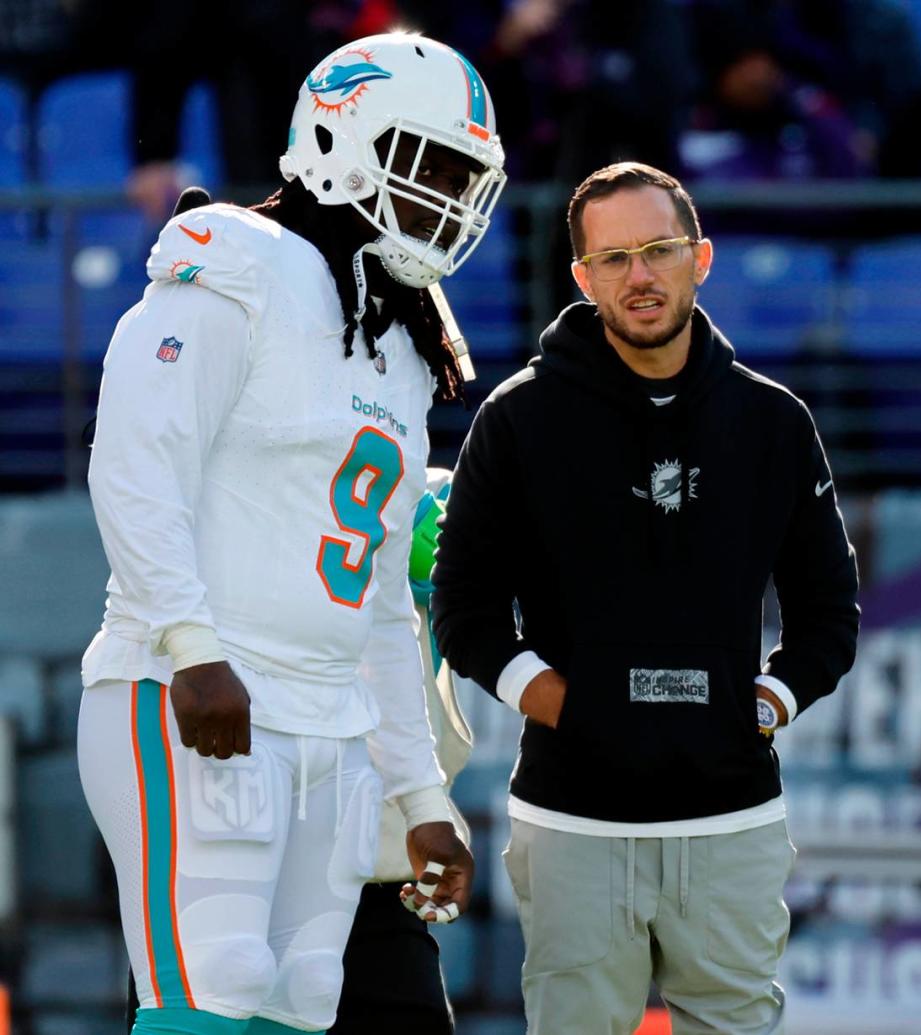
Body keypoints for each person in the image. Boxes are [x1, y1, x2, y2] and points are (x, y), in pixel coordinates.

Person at [78, 31, 505, 1035]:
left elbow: (384, 604)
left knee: (305, 998)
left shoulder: (399, 337)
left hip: (327, 719)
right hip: (197, 693)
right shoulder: (238, 263)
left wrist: (415, 791)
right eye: (429, 163)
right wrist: (191, 650)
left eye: (464, 176)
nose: (448, 198)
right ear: (337, 138)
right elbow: (135, 469)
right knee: (213, 981)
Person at [431, 161, 860, 1035]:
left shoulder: (774, 422)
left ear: (699, 258)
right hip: (572, 821)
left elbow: (829, 612)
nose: (640, 275)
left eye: (659, 250)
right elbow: (464, 607)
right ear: (583, 279)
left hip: (733, 817)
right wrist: (565, 706)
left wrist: (768, 704)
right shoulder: (517, 420)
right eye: (615, 258)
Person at [122, 467, 474, 1034]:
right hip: (211, 852)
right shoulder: (209, 497)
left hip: (371, 873)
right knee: (202, 1004)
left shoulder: (423, 488)